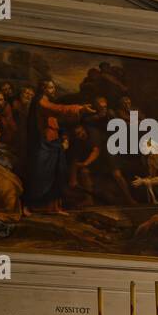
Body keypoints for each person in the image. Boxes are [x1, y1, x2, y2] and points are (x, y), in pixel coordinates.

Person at [24, 79, 93, 214]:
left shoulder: (47, 101)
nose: (53, 90)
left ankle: (54, 207)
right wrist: (80, 108)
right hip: (44, 144)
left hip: (53, 142)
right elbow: (58, 109)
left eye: (53, 87)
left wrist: (64, 137)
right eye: (50, 88)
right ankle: (36, 206)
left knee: (58, 174)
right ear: (43, 89)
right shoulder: (40, 101)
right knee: (43, 175)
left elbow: (58, 119)